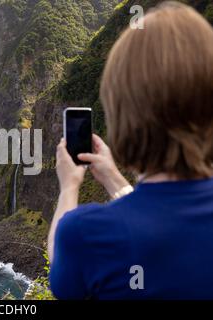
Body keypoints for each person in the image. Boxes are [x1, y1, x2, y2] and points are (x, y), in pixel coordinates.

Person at [48, 1, 213, 299]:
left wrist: (69, 188)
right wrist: (113, 179)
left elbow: (62, 267)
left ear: (120, 114)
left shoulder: (87, 235)